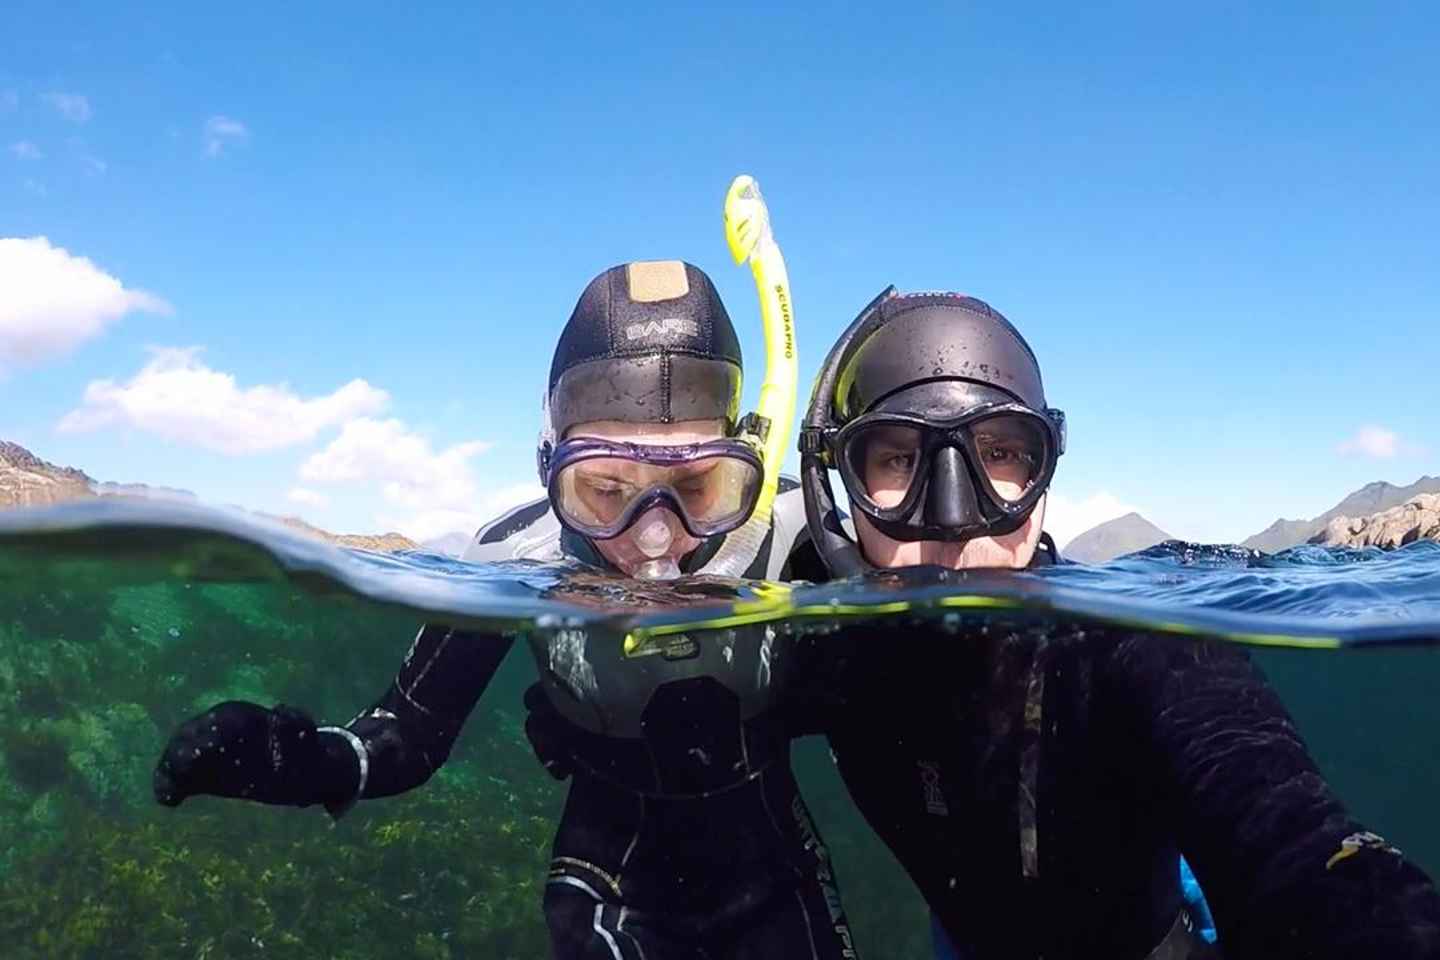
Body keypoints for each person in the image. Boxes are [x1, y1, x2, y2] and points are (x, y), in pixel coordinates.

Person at [153, 260, 857, 959]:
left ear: (748, 466)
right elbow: (408, 737)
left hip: (774, 870)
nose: (655, 541)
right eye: (606, 490)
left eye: (699, 487)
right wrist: (304, 766)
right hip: (609, 872)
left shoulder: (798, 536)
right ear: (549, 467)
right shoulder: (516, 556)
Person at [789, 288, 1440, 958]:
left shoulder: (1125, 645)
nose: (957, 521)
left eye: (1001, 454)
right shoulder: (822, 645)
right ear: (838, 487)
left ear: (1045, 473)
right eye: (896, 459)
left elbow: (1290, 840)